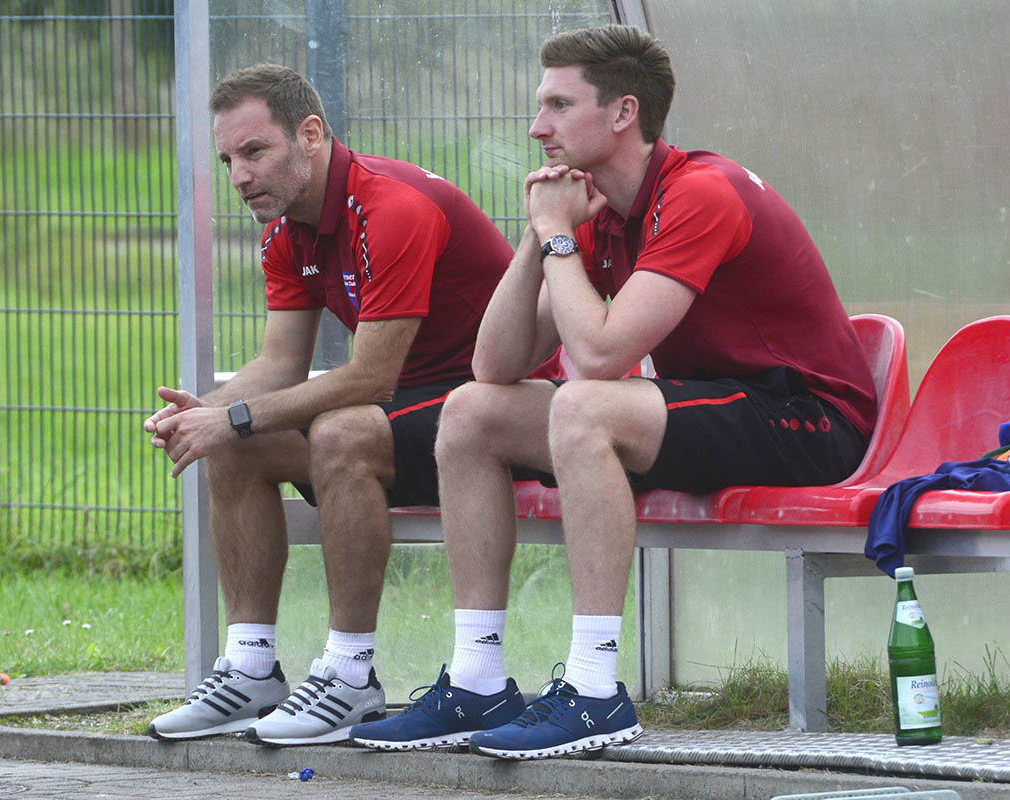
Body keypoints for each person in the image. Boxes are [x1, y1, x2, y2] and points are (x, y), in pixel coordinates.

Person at [350, 24, 877, 759]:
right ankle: (476, 677)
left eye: (560, 106)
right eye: (542, 107)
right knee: (470, 415)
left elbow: (596, 356)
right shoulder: (598, 212)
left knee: (580, 404)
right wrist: (541, 236)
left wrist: (560, 236)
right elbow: (493, 365)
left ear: (624, 113)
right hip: (711, 403)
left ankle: (596, 690)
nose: (538, 127)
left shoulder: (700, 192)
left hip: (810, 420)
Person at [143, 63, 556, 745]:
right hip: (409, 412)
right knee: (237, 441)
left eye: (254, 152)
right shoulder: (286, 226)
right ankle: (249, 670)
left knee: (340, 433)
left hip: (496, 412)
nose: (239, 176)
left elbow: (371, 377)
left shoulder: (392, 206)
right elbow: (278, 362)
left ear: (309, 134)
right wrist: (206, 414)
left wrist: (236, 414)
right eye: (227, 159)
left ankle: (349, 675)